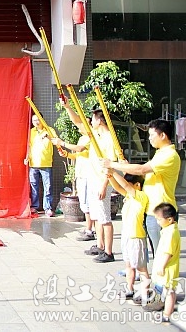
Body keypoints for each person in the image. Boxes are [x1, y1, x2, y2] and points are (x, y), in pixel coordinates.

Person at [104, 119, 180, 259]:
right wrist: (124, 167)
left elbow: (142, 170)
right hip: (152, 209)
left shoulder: (169, 155)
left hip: (162, 211)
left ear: (163, 135)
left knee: (163, 254)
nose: (149, 138)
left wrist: (113, 165)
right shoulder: (160, 153)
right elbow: (142, 172)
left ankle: (162, 273)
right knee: (155, 251)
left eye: (152, 135)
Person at [59, 104, 119, 263]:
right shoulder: (94, 135)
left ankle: (109, 252)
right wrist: (67, 107)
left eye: (93, 118)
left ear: (100, 120)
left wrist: (104, 185)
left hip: (101, 182)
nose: (90, 121)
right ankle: (100, 245)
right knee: (97, 216)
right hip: (92, 180)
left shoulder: (109, 139)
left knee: (105, 217)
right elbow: (78, 122)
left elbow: (111, 165)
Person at [104, 168, 149, 300]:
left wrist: (113, 171)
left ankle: (145, 293)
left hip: (137, 238)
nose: (127, 187)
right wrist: (110, 176)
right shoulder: (129, 196)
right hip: (127, 236)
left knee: (141, 268)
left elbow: (124, 185)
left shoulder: (141, 196)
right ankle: (130, 289)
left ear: (137, 185)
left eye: (129, 185)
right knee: (129, 265)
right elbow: (118, 187)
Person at [142, 203, 180, 322]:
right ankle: (166, 312)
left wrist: (162, 266)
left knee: (169, 292)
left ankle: (167, 314)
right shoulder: (168, 230)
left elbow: (169, 252)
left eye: (159, 219)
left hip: (168, 268)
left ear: (169, 219)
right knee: (168, 291)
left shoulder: (171, 233)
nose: (157, 222)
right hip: (167, 267)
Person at [53, 134, 95, 241]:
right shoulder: (82, 138)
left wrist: (61, 143)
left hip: (87, 175)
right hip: (80, 174)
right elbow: (79, 155)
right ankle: (91, 228)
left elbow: (79, 149)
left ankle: (89, 231)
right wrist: (67, 154)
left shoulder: (91, 137)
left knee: (87, 204)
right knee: (84, 203)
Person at [25, 114, 55, 217]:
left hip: (46, 163)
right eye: (34, 120)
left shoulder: (49, 130)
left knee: (48, 187)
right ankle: (34, 206)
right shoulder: (31, 132)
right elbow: (29, 146)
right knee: (34, 186)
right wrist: (27, 157)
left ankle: (48, 208)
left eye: (38, 119)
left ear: (42, 119)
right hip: (33, 163)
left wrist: (47, 136)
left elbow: (55, 141)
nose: (36, 122)